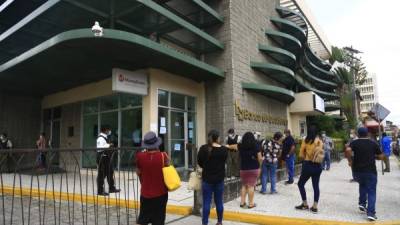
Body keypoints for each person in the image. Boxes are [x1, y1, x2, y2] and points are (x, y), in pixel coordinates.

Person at [345, 127, 385, 221]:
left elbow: (347, 150)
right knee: (371, 191)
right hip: (370, 171)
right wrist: (376, 157)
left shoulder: (354, 143)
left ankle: (362, 204)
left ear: (358, 134)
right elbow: (381, 156)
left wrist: (350, 161)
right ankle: (371, 213)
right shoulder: (373, 143)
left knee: (362, 185)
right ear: (367, 134)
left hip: (357, 171)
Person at [136, 131, 169, 225]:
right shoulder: (164, 156)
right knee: (159, 220)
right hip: (161, 193)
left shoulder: (139, 156)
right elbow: (168, 170)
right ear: (156, 144)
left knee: (142, 219)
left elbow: (138, 172)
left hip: (145, 193)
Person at [198, 130, 228, 225]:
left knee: (206, 202)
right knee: (219, 201)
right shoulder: (223, 150)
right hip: (219, 180)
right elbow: (224, 161)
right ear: (217, 138)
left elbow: (200, 162)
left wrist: (206, 167)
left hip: (207, 180)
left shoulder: (203, 148)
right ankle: (219, 222)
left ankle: (205, 223)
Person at [295, 126, 323, 214]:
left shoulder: (306, 140)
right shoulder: (319, 141)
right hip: (318, 166)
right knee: (316, 186)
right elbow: (321, 152)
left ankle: (305, 204)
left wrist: (305, 156)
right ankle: (315, 207)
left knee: (300, 183)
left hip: (308, 165)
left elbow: (301, 154)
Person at [238, 132, 263, 208]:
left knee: (244, 185)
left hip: (243, 169)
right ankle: (251, 204)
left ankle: (242, 202)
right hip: (253, 168)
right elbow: (260, 158)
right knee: (251, 186)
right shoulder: (256, 146)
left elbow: (233, 146)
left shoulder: (241, 146)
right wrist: (260, 166)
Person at [96, 125, 120, 196]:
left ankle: (111, 188)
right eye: (109, 130)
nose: (109, 131)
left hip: (106, 158)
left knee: (110, 172)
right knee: (101, 174)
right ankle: (100, 191)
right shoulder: (100, 138)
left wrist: (108, 145)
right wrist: (109, 145)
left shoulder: (105, 137)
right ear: (106, 130)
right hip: (102, 158)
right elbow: (100, 148)